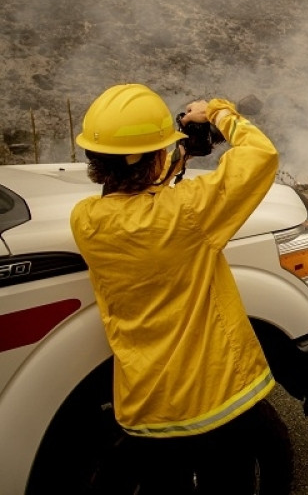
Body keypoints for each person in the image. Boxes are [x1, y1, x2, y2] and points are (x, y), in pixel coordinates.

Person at [70, 83, 280, 493]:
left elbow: (134, 194)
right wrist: (217, 112)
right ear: (152, 159)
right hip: (214, 401)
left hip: (147, 408)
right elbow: (260, 155)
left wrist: (179, 154)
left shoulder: (86, 220)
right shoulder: (188, 211)